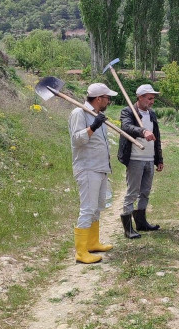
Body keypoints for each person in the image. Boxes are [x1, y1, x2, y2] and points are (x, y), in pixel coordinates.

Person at [68, 83, 116, 264]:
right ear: (98, 99)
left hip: (101, 167)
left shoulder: (97, 115)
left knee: (97, 207)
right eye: (107, 98)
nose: (109, 101)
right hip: (87, 168)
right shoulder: (78, 113)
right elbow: (76, 140)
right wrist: (93, 127)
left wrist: (97, 123)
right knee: (87, 208)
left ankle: (92, 243)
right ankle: (81, 252)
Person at [118, 84, 164, 239]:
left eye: (153, 98)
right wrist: (142, 131)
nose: (152, 101)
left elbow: (157, 137)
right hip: (135, 158)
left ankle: (141, 222)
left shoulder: (152, 114)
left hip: (149, 159)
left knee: (145, 192)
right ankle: (128, 228)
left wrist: (159, 159)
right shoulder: (128, 111)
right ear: (140, 97)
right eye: (150, 98)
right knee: (132, 193)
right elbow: (126, 127)